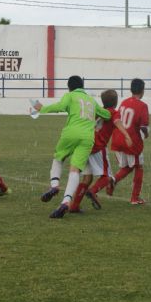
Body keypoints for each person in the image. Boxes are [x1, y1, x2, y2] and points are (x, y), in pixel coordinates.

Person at [33, 75, 110, 218]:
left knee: (58, 158)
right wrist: (104, 113)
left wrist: (41, 108)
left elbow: (59, 107)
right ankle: (66, 202)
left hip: (71, 132)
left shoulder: (70, 96)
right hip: (88, 137)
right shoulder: (91, 100)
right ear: (83, 87)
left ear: (69, 87)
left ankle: (55, 185)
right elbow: (106, 114)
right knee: (75, 170)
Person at [70, 89, 132, 212]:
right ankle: (92, 191)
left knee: (87, 178)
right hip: (97, 147)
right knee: (107, 177)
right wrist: (126, 135)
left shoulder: (97, 111)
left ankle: (74, 206)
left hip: (84, 144)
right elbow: (117, 122)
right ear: (116, 102)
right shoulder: (113, 113)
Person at [91, 78, 150, 205]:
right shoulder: (142, 105)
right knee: (139, 167)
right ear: (143, 91)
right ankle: (135, 197)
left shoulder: (124, 102)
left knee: (128, 166)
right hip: (131, 141)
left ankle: (111, 181)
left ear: (131, 89)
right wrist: (146, 134)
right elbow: (143, 127)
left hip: (117, 140)